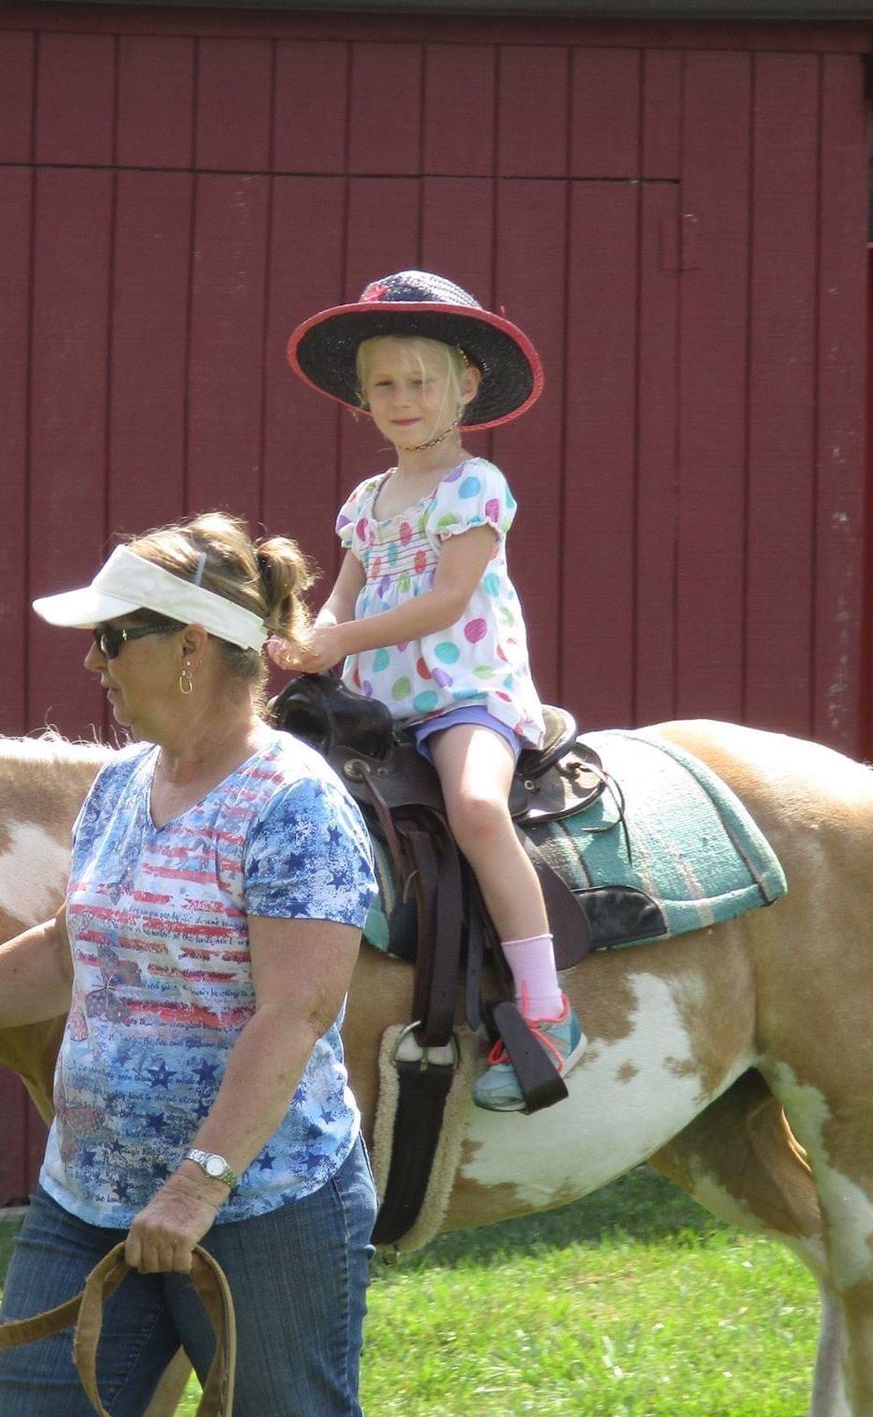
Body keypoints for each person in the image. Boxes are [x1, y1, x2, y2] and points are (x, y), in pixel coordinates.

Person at [0, 513, 380, 1417]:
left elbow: (296, 1013)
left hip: (264, 1210)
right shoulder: (120, 786)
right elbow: (70, 953)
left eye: (113, 638)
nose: (92, 662)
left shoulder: (295, 804)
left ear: (192, 645)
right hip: (88, 1197)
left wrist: (194, 1190)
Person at [272, 270, 584, 1113]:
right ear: (362, 397)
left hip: (463, 694)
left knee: (476, 809)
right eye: (385, 384)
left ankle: (546, 1005)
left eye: (422, 381)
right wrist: (309, 641)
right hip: (380, 709)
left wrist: (342, 638)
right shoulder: (368, 500)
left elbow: (447, 600)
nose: (402, 399)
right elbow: (347, 591)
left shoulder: (475, 487)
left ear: (465, 388)